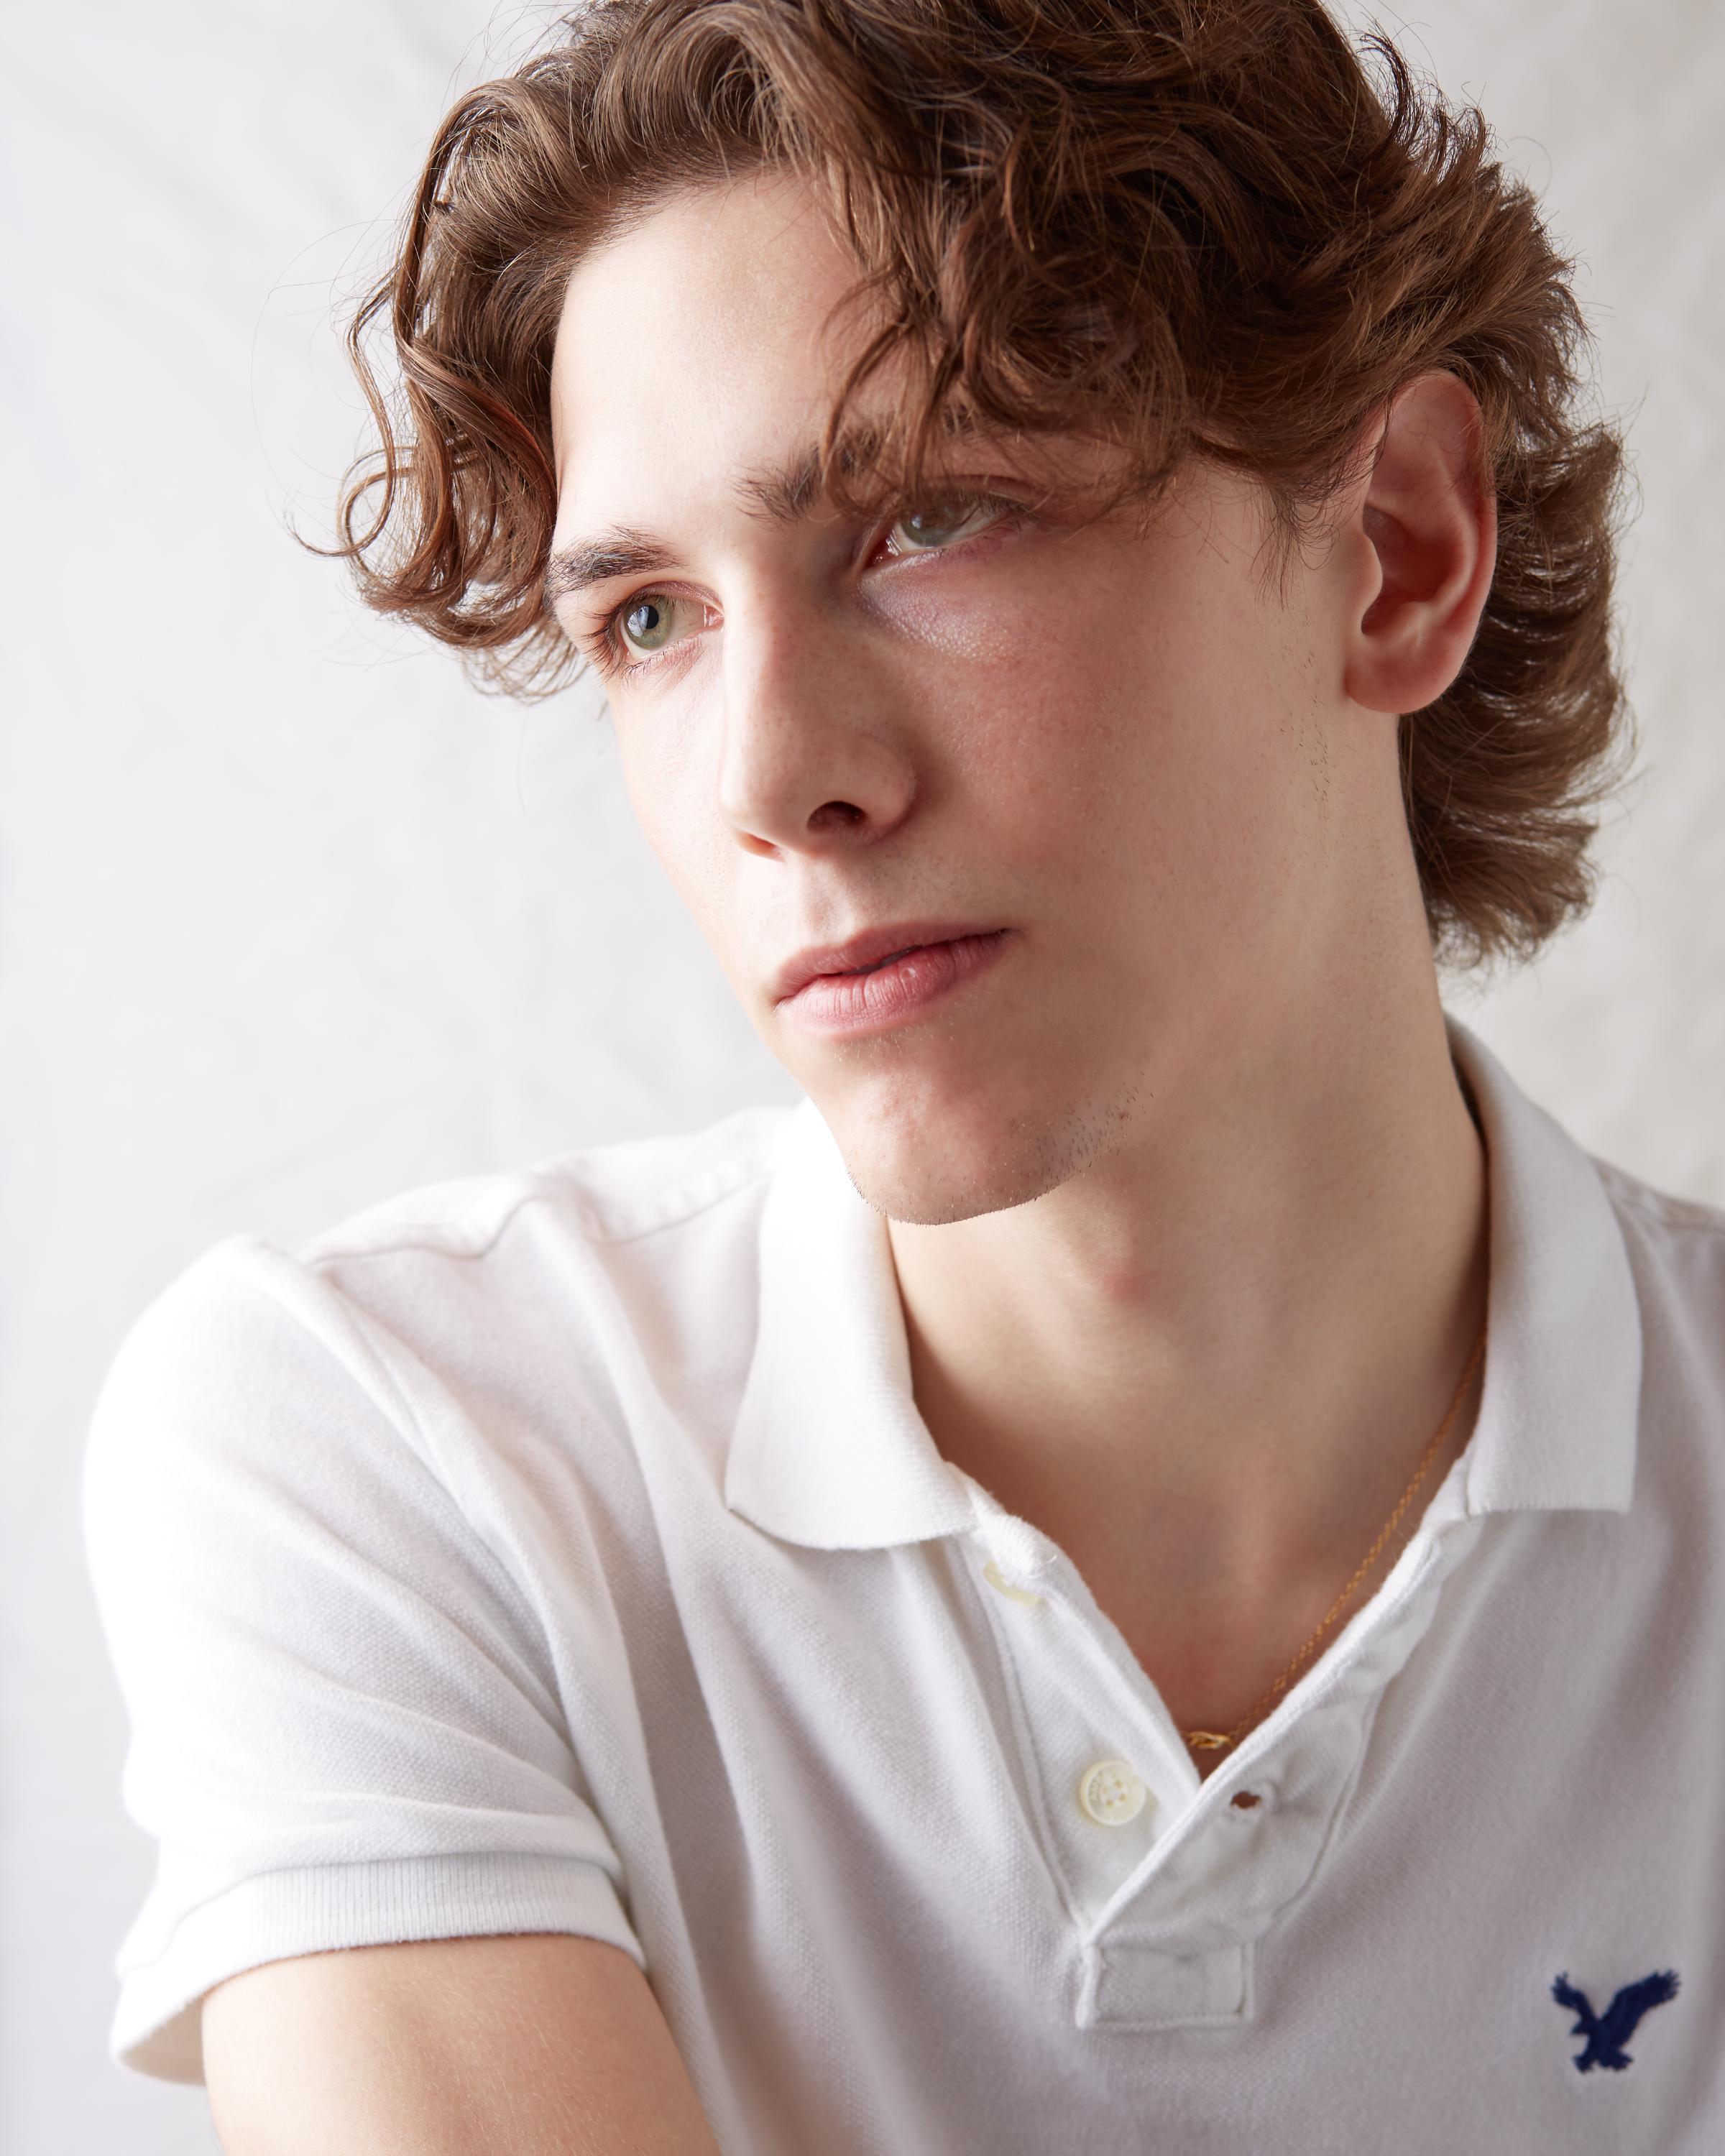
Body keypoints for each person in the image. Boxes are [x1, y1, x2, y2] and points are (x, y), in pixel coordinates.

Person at [81, 0, 1724, 2148]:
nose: (770, 779)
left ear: (1393, 548)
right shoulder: (409, 1451)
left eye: (930, 521)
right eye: (650, 622)